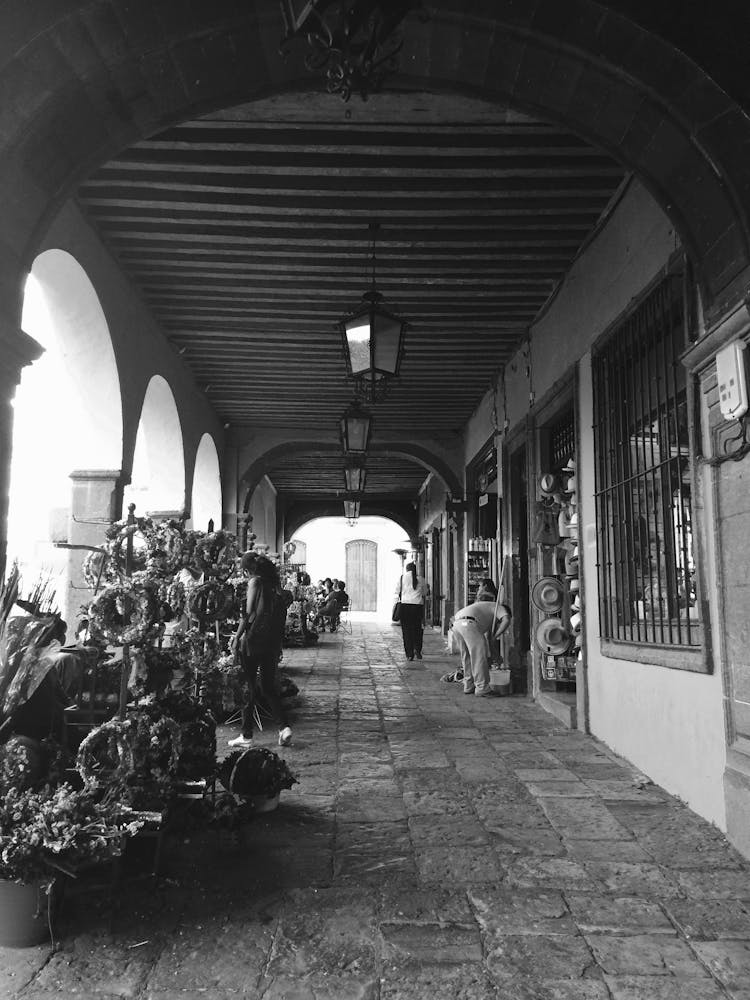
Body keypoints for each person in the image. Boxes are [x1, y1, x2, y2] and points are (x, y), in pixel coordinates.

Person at [229, 554, 292, 748]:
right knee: (268, 687)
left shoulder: (254, 582)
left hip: (254, 641)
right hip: (272, 643)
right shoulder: (275, 586)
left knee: (247, 686)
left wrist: (237, 637)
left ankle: (246, 735)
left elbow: (248, 614)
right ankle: (284, 727)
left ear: (247, 569)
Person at [452, 594, 512, 696]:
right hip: (468, 623)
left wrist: (495, 656)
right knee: (478, 656)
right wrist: (497, 635)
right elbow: (506, 620)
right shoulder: (499, 607)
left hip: (457, 624)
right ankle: (482, 687)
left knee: (467, 656)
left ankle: (469, 685)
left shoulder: (486, 613)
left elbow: (489, 641)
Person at [395, 561, 429, 661]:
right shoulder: (421, 579)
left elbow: (397, 591)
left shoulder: (402, 578)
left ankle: (409, 654)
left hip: (405, 607)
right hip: (417, 607)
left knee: (406, 631)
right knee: (417, 630)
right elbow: (425, 593)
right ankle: (417, 650)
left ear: (407, 569)